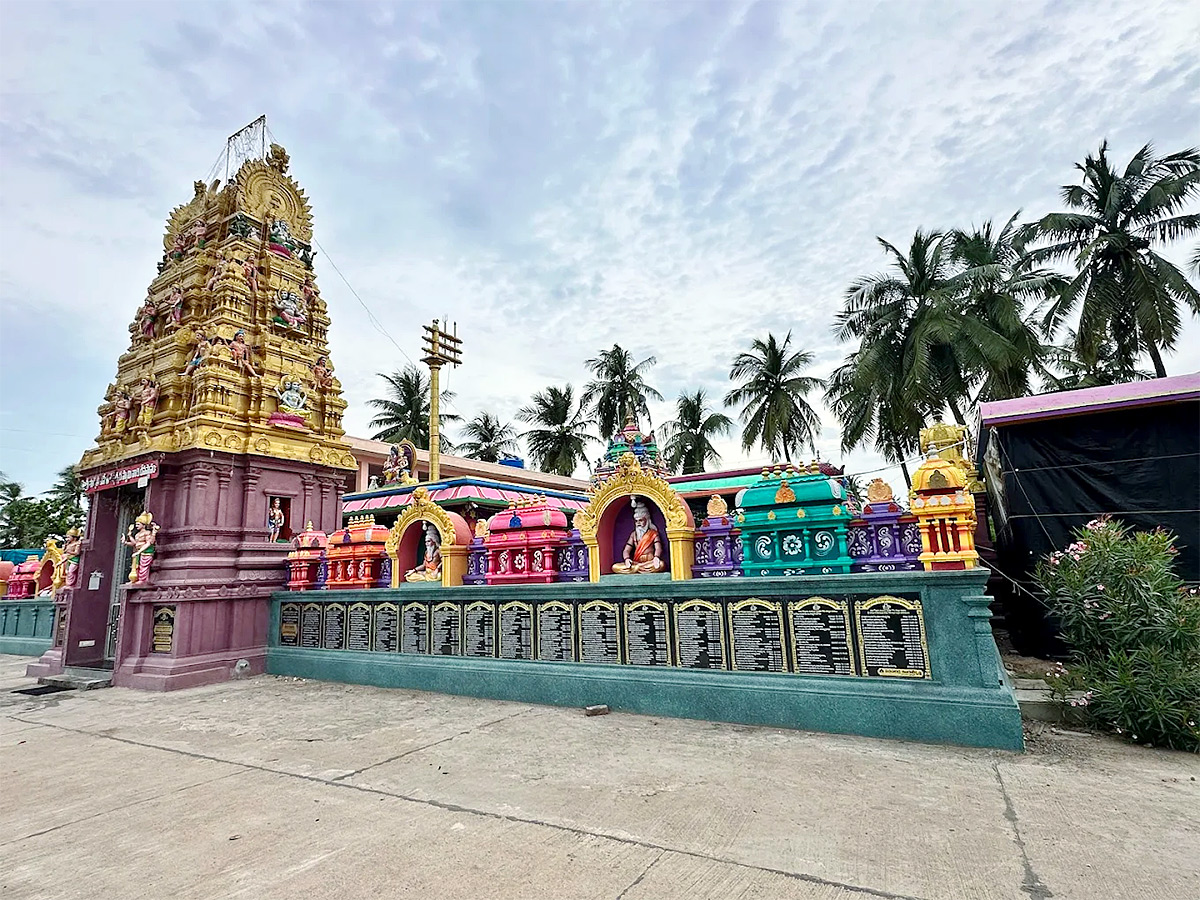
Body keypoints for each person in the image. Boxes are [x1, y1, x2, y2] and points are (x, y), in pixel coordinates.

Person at [612, 497, 665, 574]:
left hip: (650, 563)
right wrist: (627, 559)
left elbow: (658, 548)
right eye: (636, 521)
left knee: (661, 565)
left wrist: (656, 558)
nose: (638, 523)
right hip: (636, 563)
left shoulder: (653, 533)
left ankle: (639, 569)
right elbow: (626, 550)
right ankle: (638, 569)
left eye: (641, 520)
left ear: (647, 520)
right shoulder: (634, 535)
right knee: (615, 567)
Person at [125, 512, 161, 585]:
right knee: (136, 567)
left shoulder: (147, 533)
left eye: (138, 524)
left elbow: (148, 543)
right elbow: (135, 543)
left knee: (144, 566)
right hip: (139, 552)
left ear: (143, 525)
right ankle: (134, 579)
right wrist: (126, 541)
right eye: (136, 524)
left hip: (146, 552)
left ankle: (143, 579)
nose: (136, 526)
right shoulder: (137, 534)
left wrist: (139, 551)